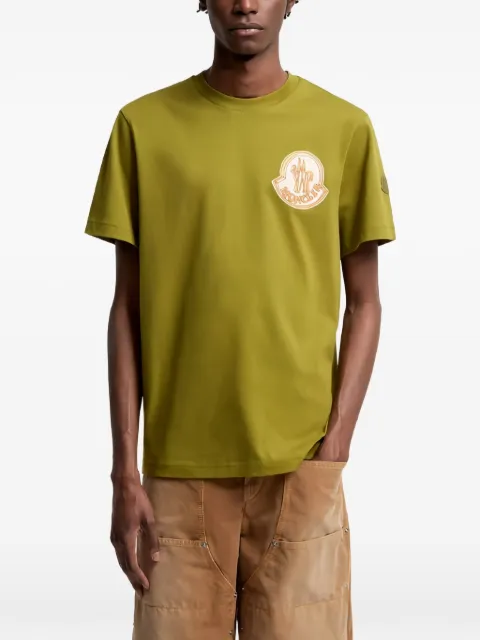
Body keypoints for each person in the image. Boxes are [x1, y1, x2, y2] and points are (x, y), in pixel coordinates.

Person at [84, 1, 396, 638]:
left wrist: (336, 443)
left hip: (300, 468)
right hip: (177, 472)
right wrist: (124, 470)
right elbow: (126, 307)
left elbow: (366, 300)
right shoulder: (143, 126)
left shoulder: (343, 127)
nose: (246, 4)